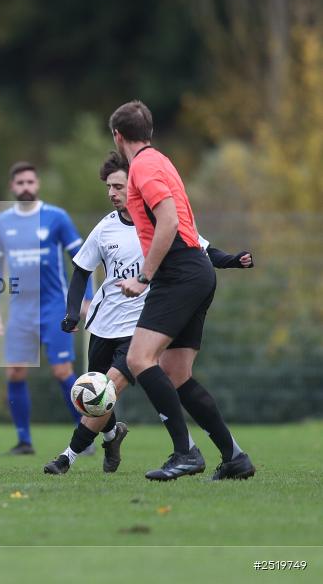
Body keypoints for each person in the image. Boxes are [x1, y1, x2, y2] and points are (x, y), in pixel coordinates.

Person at [44, 151, 254, 475]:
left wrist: (229, 260)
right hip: (104, 323)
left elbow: (198, 246)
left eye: (118, 186)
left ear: (136, 184)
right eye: (109, 188)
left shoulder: (159, 218)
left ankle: (67, 457)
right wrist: (73, 313)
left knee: (108, 386)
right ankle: (115, 436)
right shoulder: (106, 229)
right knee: (112, 389)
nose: (113, 193)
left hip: (142, 322)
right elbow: (81, 270)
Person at [109, 100, 255, 481]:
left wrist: (144, 276)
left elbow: (169, 221)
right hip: (196, 269)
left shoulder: (142, 167)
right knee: (176, 373)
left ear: (118, 136)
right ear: (150, 132)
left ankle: (185, 452)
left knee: (140, 360)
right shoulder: (162, 160)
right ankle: (234, 457)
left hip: (179, 273)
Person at [0, 161, 93, 455]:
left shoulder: (56, 217)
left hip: (54, 307)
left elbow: (84, 259)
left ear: (38, 184)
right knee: (15, 372)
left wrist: (86, 300)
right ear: (13, 187)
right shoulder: (1, 223)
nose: (26, 188)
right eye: (20, 183)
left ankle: (84, 439)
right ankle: (24, 441)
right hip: (20, 311)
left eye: (30, 182)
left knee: (62, 370)